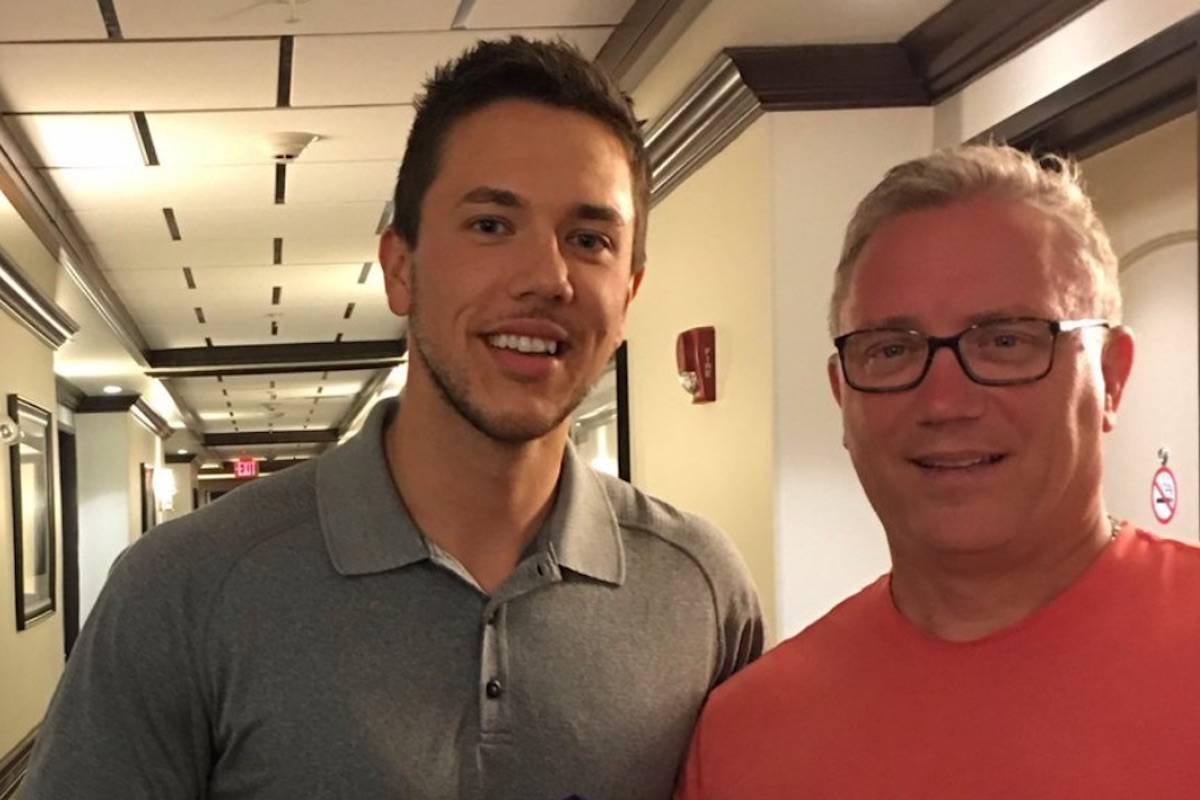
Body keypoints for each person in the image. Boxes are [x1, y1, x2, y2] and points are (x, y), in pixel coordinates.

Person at [21, 37, 762, 800]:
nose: (547, 277)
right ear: (402, 268)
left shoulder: (700, 588)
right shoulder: (183, 589)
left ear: (630, 293)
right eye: (490, 225)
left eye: (590, 240)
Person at [676, 144, 1200, 798]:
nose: (945, 401)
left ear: (1112, 378)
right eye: (892, 350)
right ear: (844, 395)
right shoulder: (748, 731)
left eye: (1006, 340)